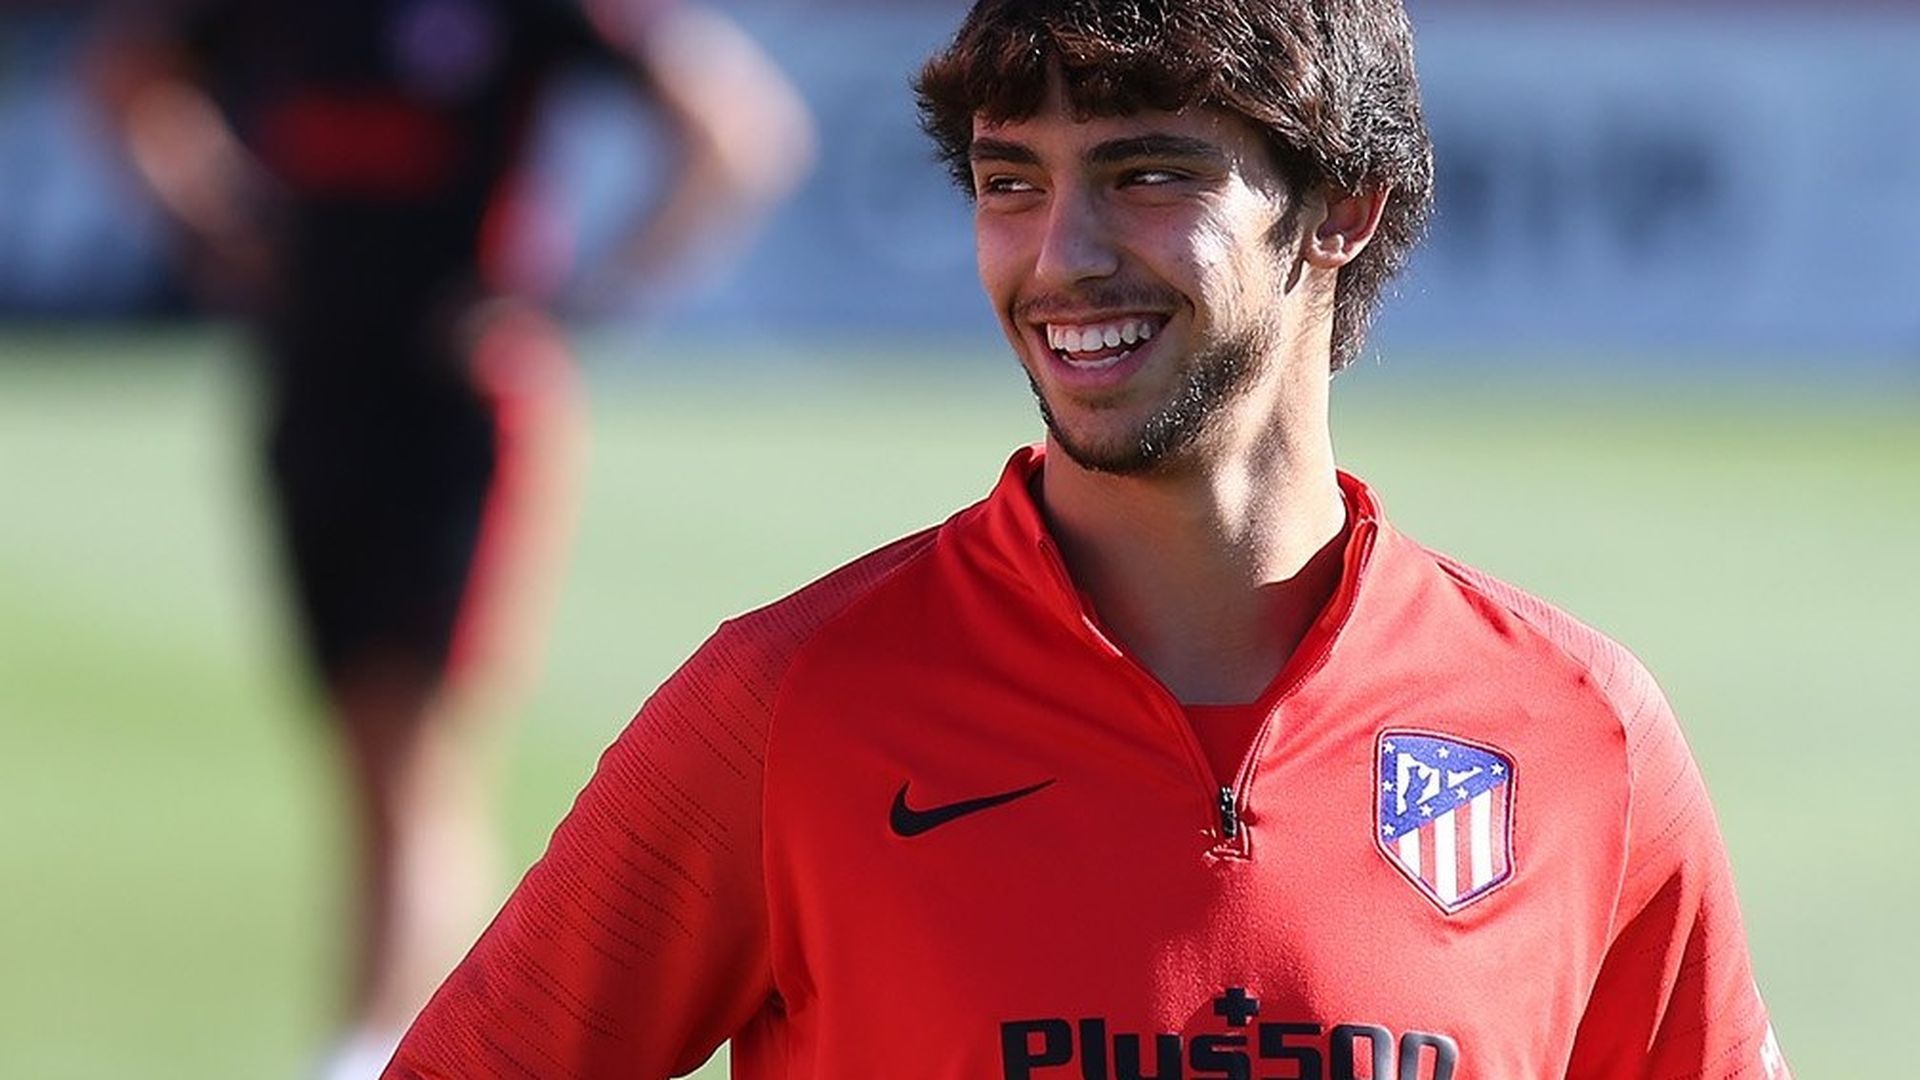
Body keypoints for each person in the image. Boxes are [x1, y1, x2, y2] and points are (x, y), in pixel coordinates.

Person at [386, 1, 1791, 1077]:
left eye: (1146, 174)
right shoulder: (793, 706)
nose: (1060, 255)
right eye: (1011, 182)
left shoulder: (1578, 734)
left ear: (1342, 208)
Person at [88, 1, 813, 1076]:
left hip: (456, 409)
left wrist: (584, 298)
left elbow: (739, 130)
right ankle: (386, 1041)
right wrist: (217, 221)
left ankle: (382, 1051)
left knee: (424, 759)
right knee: (366, 756)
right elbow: (125, 79)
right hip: (312, 393)